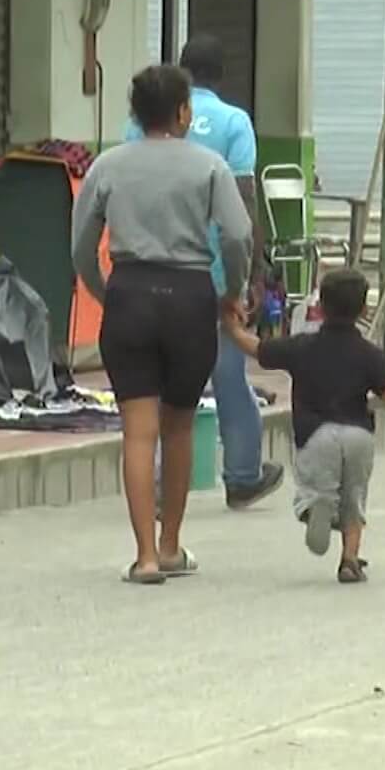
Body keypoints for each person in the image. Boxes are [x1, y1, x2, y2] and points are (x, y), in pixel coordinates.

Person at [78, 64, 251, 584]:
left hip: (129, 292)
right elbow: (238, 235)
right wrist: (234, 293)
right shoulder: (210, 167)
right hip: (189, 297)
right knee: (178, 426)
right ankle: (172, 545)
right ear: (182, 112)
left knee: (137, 430)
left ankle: (145, 556)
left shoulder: (107, 166)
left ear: (135, 113)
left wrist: (105, 291)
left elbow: (80, 244)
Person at [121, 35, 284, 512]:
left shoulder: (138, 126)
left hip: (143, 270)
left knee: (150, 387)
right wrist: (251, 275)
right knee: (228, 375)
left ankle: (152, 484)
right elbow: (242, 205)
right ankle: (242, 474)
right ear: (221, 74)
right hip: (208, 273)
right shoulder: (235, 123)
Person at [224, 268, 385, 585]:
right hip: (358, 436)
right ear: (363, 310)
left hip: (316, 435)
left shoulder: (301, 346)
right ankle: (350, 560)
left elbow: (256, 348)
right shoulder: (369, 353)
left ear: (321, 306)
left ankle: (318, 507)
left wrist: (230, 326)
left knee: (315, 489)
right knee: (355, 497)